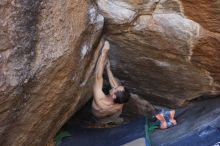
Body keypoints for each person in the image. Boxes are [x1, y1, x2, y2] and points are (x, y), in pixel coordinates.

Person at [92, 40, 130, 124]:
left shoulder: (100, 101)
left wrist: (104, 53)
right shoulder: (121, 102)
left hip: (96, 115)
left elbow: (98, 77)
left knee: (97, 120)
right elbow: (115, 86)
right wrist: (108, 68)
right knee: (117, 83)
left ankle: (102, 122)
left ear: (113, 96)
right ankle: (111, 120)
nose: (115, 86)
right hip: (111, 112)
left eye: (115, 89)